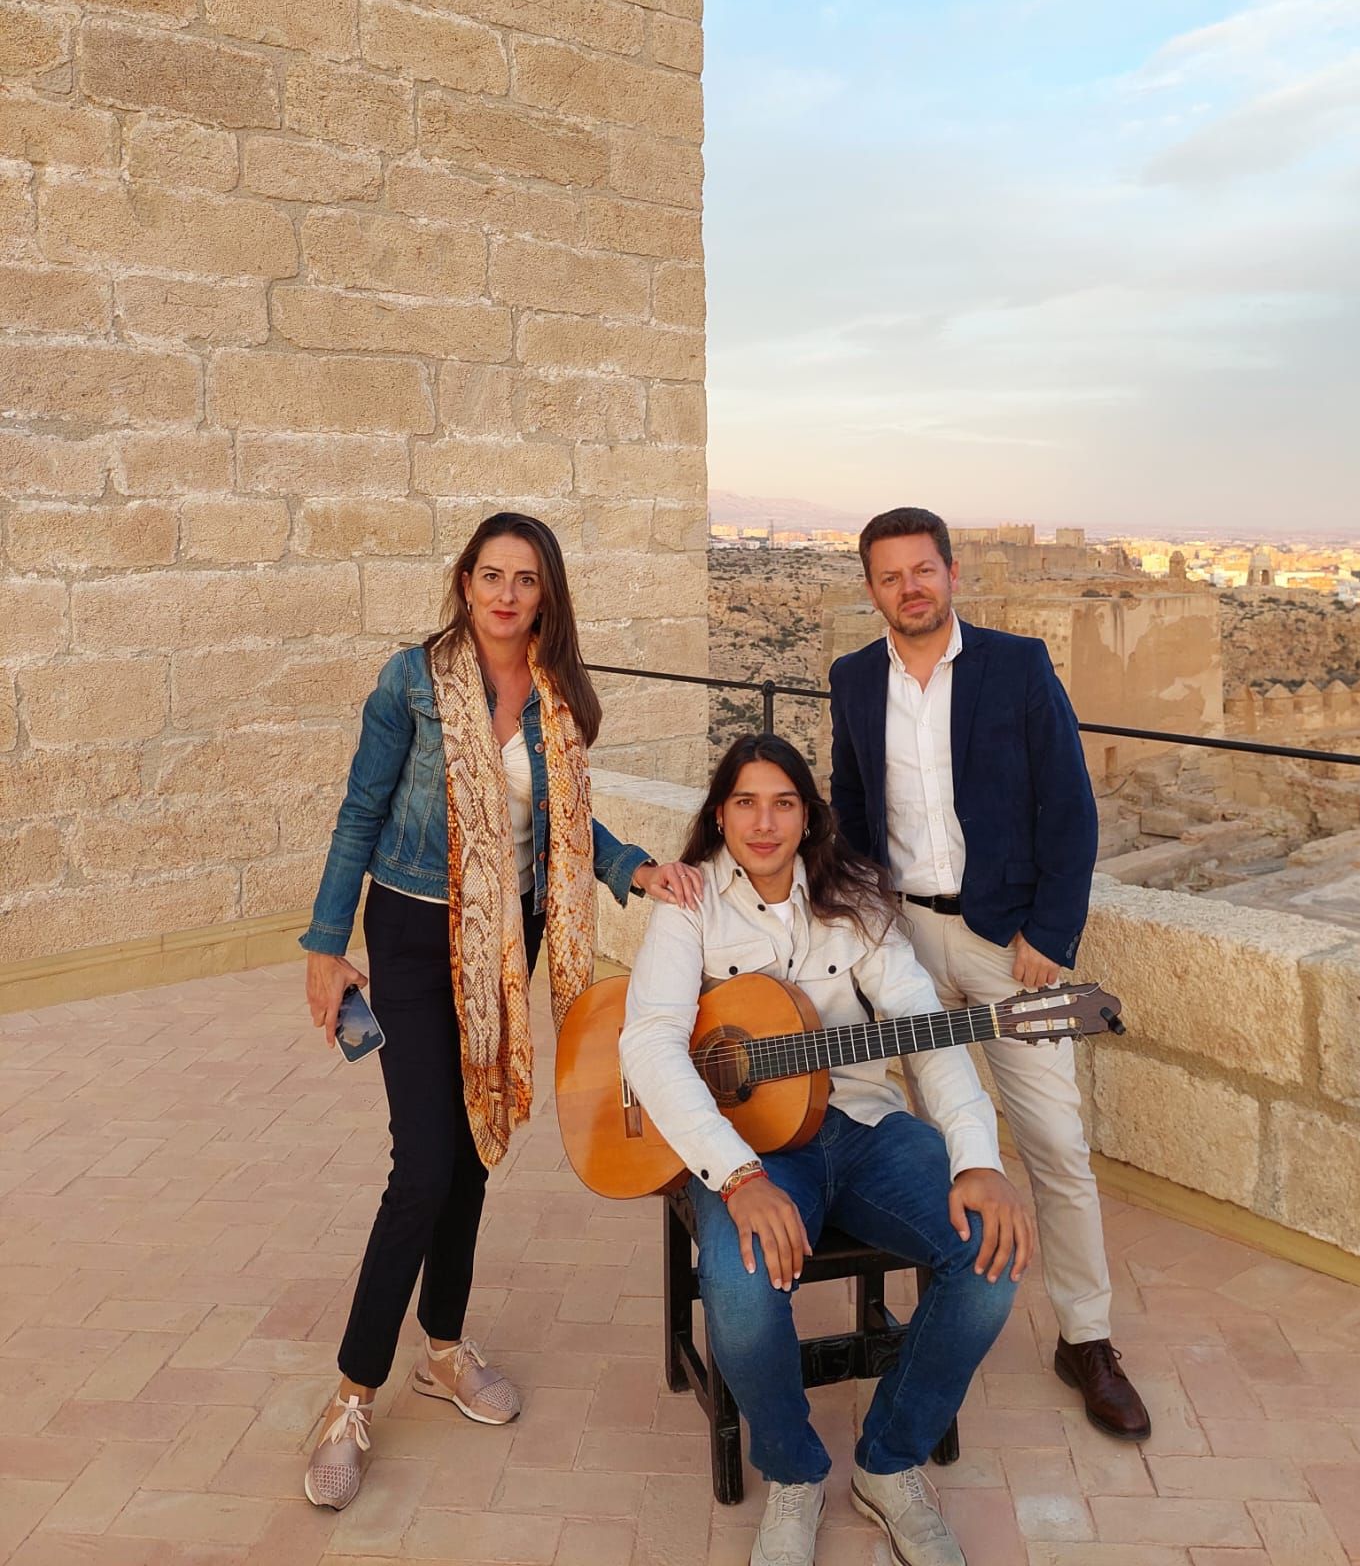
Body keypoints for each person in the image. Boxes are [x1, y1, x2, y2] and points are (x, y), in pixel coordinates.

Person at [298, 511, 702, 1511]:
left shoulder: (556, 696)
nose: (508, 593)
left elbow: (561, 816)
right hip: (408, 926)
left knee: (476, 1147)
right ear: (465, 581)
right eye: (491, 575)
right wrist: (322, 943)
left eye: (527, 578)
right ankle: (352, 1390)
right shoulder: (411, 681)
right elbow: (360, 808)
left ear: (547, 593)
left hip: (507, 937)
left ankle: (442, 1344)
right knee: (424, 1161)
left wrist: (630, 865)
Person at [620, 733, 1033, 1566]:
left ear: (809, 817)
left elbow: (929, 1037)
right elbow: (649, 1046)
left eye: (783, 803)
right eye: (745, 803)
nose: (763, 822)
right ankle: (795, 1473)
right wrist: (737, 1178)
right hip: (747, 1149)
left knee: (991, 1259)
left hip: (865, 1128)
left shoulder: (861, 904)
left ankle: (890, 1461)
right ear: (720, 814)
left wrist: (978, 1159)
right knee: (737, 1293)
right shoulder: (689, 904)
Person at [829, 507, 1150, 1442]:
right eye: (889, 578)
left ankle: (1086, 1339)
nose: (909, 589)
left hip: (1012, 946)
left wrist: (1052, 929)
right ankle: (939, 1316)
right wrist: (863, 913)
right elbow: (850, 802)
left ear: (952, 573)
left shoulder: (1016, 665)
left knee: (1053, 1140)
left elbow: (1070, 809)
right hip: (906, 943)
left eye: (922, 571)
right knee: (929, 1149)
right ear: (873, 589)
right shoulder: (854, 679)